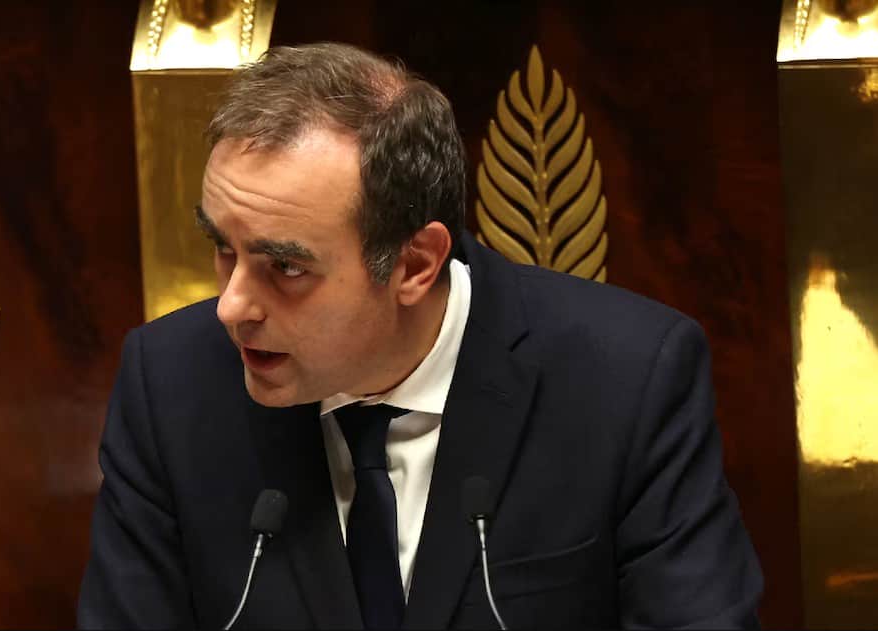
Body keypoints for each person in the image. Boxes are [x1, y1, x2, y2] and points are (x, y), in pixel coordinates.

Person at [77, 42, 762, 629]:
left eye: (285, 267)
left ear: (413, 265)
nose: (231, 307)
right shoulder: (171, 384)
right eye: (224, 249)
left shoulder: (626, 380)